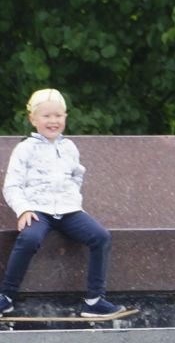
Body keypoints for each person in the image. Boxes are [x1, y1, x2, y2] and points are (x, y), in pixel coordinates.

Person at [0, 89, 124, 319]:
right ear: (33, 119)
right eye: (46, 116)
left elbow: (77, 176)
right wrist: (23, 208)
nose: (53, 121)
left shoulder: (69, 148)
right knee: (29, 238)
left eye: (58, 115)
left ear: (65, 117)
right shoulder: (25, 148)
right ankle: (6, 297)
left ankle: (94, 301)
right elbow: (12, 185)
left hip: (69, 211)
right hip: (38, 210)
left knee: (101, 237)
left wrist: (71, 199)